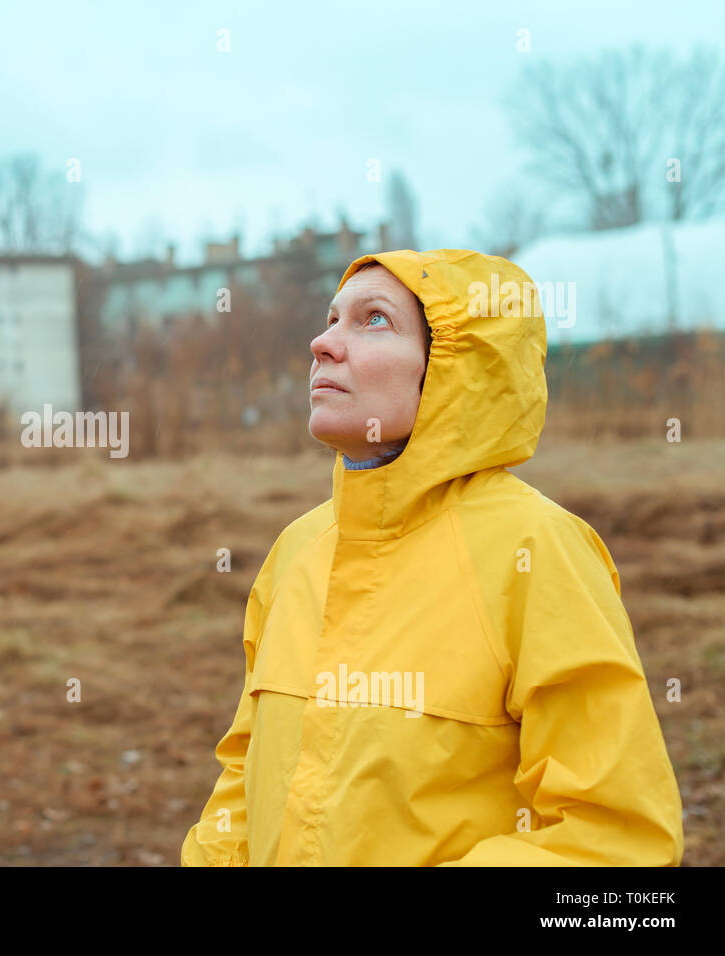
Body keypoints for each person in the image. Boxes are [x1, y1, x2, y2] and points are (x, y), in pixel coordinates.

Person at [180, 248, 684, 866]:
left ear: (453, 367)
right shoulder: (296, 552)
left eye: (373, 320)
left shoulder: (536, 551)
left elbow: (616, 839)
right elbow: (244, 774)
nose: (323, 343)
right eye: (331, 318)